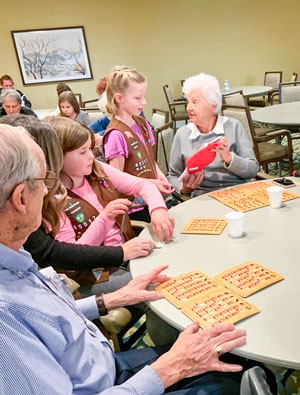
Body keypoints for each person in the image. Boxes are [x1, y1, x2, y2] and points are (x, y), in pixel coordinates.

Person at [0, 123, 277, 394]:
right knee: (239, 373)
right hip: (106, 382)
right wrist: (169, 369)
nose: (50, 192)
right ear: (22, 198)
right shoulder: (5, 316)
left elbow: (50, 321)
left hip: (104, 361)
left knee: (234, 358)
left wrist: (111, 299)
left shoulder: (15, 256)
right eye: (45, 182)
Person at [0, 114, 147, 272]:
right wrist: (121, 252)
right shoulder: (53, 201)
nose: (44, 190)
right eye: (42, 178)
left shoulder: (94, 170)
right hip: (95, 272)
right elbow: (55, 254)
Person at [45, 116, 174, 296]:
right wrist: (105, 218)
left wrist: (158, 210)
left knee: (170, 264)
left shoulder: (97, 169)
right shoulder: (51, 199)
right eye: (82, 152)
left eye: (91, 149)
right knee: (157, 284)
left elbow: (143, 185)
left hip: (124, 254)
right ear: (58, 157)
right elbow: (72, 257)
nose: (91, 156)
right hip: (93, 274)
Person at [168, 73, 259, 197]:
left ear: (213, 106)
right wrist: (184, 188)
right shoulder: (182, 134)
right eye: (188, 102)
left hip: (238, 193)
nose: (188, 107)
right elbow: (173, 176)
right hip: (202, 199)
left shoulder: (233, 126)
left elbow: (253, 169)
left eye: (195, 102)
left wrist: (229, 157)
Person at [103, 65, 174, 222]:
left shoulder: (141, 122)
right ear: (119, 98)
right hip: (135, 209)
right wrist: (152, 184)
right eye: (137, 98)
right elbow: (118, 181)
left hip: (153, 200)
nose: (144, 102)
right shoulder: (115, 134)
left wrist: (161, 178)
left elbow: (150, 159)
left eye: (144, 96)